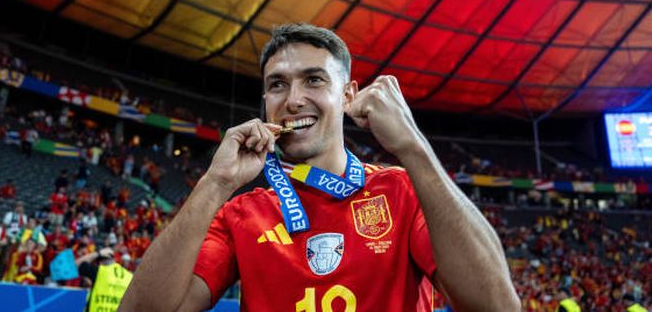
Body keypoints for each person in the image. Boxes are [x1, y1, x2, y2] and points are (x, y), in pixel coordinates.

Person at [119, 24, 519, 311]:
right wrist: (215, 182)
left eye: (313, 80)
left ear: (348, 95)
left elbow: (497, 305)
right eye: (277, 85)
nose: (293, 100)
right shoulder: (241, 214)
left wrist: (413, 147)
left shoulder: (402, 192)